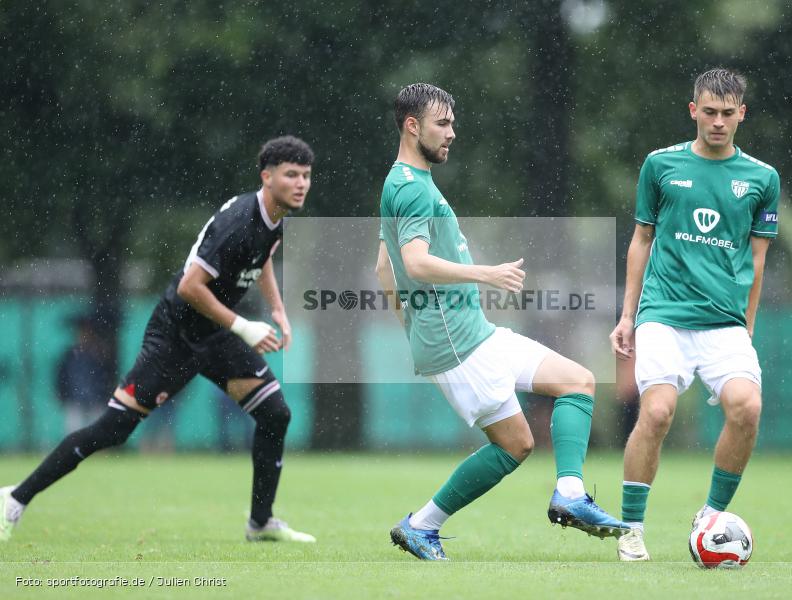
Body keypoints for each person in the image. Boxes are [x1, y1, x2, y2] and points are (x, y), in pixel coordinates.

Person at [1, 136, 316, 543]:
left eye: (306, 175)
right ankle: (15, 498)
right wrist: (242, 325)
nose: (301, 183)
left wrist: (277, 310)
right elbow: (189, 287)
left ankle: (260, 523)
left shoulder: (275, 218)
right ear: (266, 177)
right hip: (176, 337)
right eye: (291, 175)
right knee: (113, 429)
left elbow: (263, 257)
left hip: (215, 334)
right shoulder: (238, 221)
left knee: (275, 414)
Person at [376, 83, 628, 561]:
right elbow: (414, 263)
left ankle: (569, 494)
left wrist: (411, 327)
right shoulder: (409, 188)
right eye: (442, 124)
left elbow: (382, 267)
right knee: (515, 445)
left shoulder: (407, 182)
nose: (452, 132)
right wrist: (485, 274)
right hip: (457, 343)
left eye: (452, 122)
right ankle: (423, 525)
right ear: (412, 126)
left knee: (578, 382)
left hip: (471, 334)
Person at [608, 68, 780, 561]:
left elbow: (758, 260)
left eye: (727, 113)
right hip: (663, 314)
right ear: (693, 111)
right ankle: (631, 529)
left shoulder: (762, 178)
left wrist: (747, 324)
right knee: (657, 412)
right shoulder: (660, 165)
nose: (718, 122)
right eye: (709, 112)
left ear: (742, 114)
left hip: (724, 323)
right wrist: (627, 316)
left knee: (747, 408)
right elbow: (641, 240)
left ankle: (711, 517)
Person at [55, 315, 110, 434]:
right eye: (82, 333)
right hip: (75, 401)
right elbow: (62, 377)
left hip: (96, 401)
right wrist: (62, 395)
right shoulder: (70, 355)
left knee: (97, 434)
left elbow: (106, 377)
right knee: (74, 433)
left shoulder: (98, 353)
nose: (84, 336)